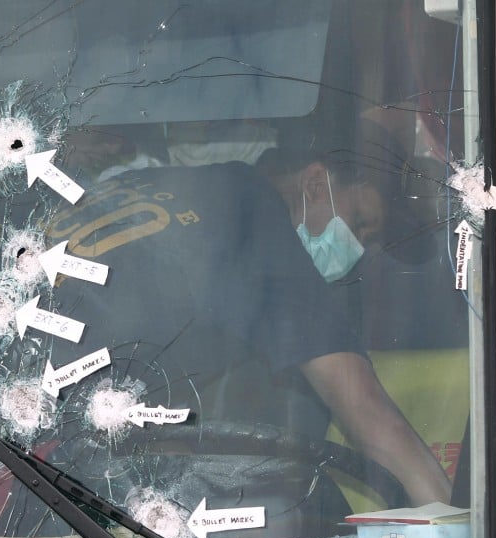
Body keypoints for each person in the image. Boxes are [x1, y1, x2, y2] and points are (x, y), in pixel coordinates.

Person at [39, 131, 451, 509]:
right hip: (42, 435)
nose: (358, 248)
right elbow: (363, 405)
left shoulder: (179, 185)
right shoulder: (255, 221)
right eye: (360, 222)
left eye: (369, 240)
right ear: (314, 182)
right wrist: (456, 527)